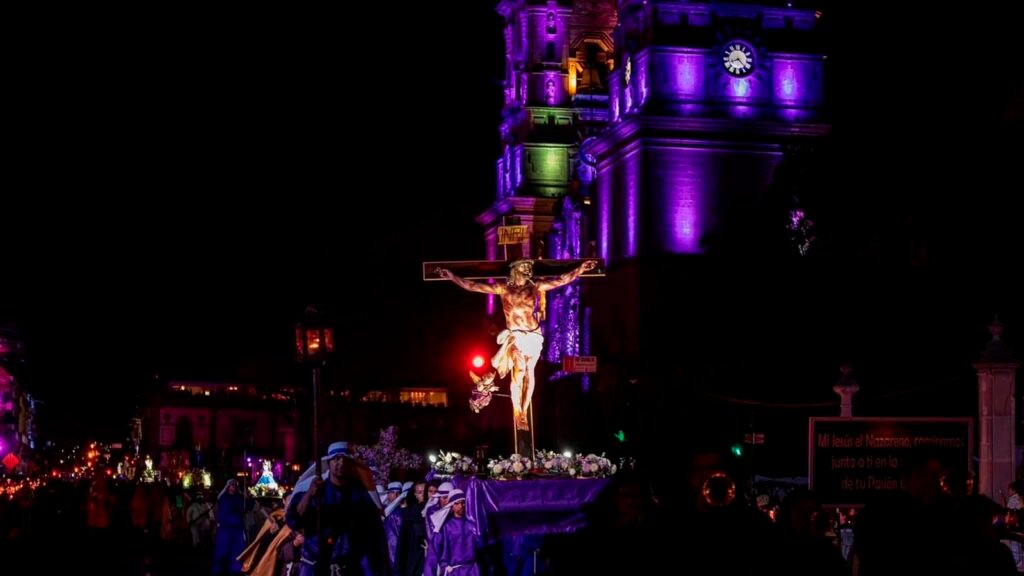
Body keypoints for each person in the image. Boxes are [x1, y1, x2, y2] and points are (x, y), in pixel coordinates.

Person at [438, 258, 596, 430]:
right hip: (516, 336)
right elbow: (473, 286)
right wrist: (452, 276)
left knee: (529, 372)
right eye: (524, 266)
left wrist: (580, 269)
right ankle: (518, 411)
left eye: (529, 267)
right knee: (519, 371)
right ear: (514, 269)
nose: (528, 269)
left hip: (533, 335)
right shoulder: (503, 288)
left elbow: (561, 279)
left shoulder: (534, 286)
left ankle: (525, 410)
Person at [285, 441, 388, 576]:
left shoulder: (360, 496)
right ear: (329, 463)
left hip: (349, 568)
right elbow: (294, 520)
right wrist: (309, 494)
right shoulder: (315, 492)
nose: (340, 463)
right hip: (315, 568)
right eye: (335, 459)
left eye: (344, 459)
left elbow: (374, 534)